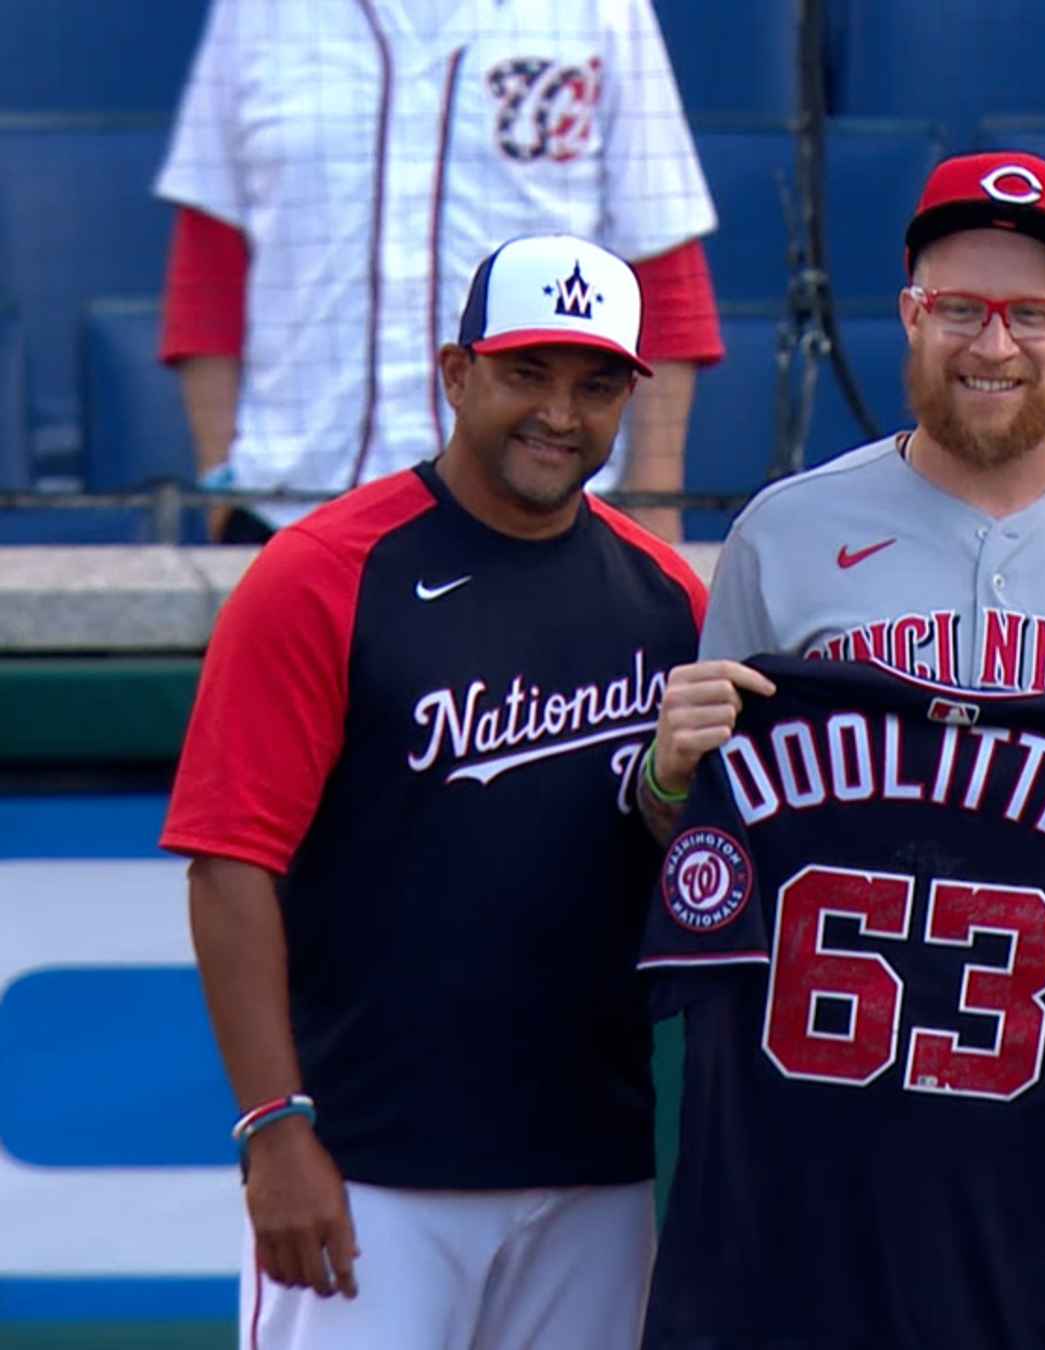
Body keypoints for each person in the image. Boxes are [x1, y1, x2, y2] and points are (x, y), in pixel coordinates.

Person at [629, 151, 1045, 1344]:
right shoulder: (785, 532)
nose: (996, 344)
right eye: (962, 309)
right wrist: (669, 772)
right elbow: (701, 849)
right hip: (808, 1158)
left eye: (1033, 313)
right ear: (909, 314)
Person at [158, 235, 707, 1347]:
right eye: (527, 375)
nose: (562, 413)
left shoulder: (667, 599)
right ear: (456, 375)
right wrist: (275, 1129)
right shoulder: (322, 574)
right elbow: (229, 865)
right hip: (368, 1177)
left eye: (596, 385)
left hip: (595, 1174)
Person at [155, 0, 723, 542]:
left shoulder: (599, 10)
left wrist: (654, 513)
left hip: (542, 516)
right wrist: (222, 492)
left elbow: (665, 274)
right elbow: (208, 273)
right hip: (290, 508)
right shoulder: (258, 12)